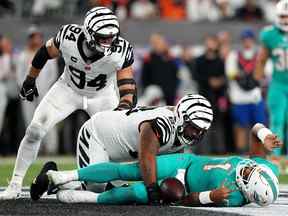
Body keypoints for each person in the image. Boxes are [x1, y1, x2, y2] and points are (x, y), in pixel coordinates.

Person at [0, 6, 137, 200]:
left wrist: (125, 104)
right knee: (35, 130)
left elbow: (126, 81)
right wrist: (30, 80)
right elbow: (44, 53)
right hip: (67, 90)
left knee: (115, 141)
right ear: (89, 34)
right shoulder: (69, 36)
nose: (110, 42)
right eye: (103, 37)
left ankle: (112, 180)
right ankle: (15, 182)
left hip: (102, 96)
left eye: (112, 37)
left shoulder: (120, 50)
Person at [31, 94, 213, 203]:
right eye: (194, 127)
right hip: (98, 135)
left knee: (120, 190)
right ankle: (52, 179)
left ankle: (103, 182)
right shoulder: (162, 125)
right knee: (95, 189)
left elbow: (169, 164)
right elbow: (146, 158)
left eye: (201, 131)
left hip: (123, 149)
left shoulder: (179, 129)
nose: (196, 134)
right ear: (182, 118)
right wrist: (152, 190)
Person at [46, 122, 281, 207]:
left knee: (137, 192)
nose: (247, 168)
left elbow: (188, 201)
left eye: (249, 174)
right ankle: (66, 176)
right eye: (254, 168)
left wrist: (212, 197)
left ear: (249, 193)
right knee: (130, 169)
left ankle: (89, 198)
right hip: (187, 162)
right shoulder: (265, 168)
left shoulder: (233, 199)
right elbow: (254, 128)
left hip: (182, 187)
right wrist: (264, 134)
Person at [15, 26, 59, 154]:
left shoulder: (49, 54)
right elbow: (19, 75)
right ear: (30, 39)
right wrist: (25, 89)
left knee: (48, 119)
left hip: (45, 92)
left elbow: (53, 74)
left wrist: (47, 88)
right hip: (28, 92)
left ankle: (51, 148)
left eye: (38, 36)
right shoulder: (23, 55)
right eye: (34, 37)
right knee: (30, 120)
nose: (37, 39)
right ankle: (33, 149)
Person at [254, 0, 288, 157]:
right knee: (277, 122)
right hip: (278, 84)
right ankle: (276, 158)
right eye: (282, 16)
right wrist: (258, 79)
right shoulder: (269, 34)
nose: (285, 20)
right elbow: (262, 59)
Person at [226, 28, 266, 153]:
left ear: (253, 41)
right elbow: (230, 73)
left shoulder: (259, 55)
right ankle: (242, 153)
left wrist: (248, 74)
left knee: (260, 127)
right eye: (245, 39)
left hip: (254, 97)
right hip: (239, 98)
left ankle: (260, 153)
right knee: (240, 127)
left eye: (249, 39)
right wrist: (246, 74)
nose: (247, 42)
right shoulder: (234, 55)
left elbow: (264, 74)